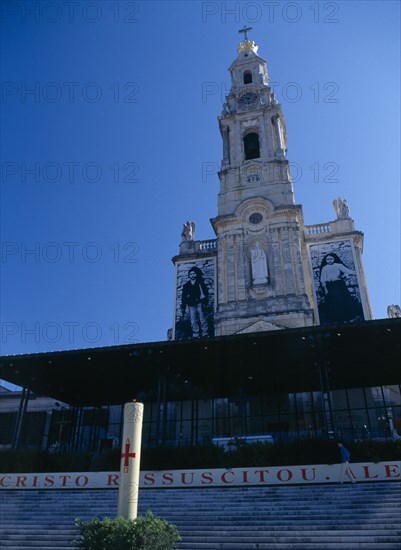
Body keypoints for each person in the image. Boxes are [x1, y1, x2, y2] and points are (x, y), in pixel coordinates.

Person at [319, 253, 361, 323]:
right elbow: (323, 279)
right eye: (328, 259)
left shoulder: (338, 265)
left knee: (342, 300)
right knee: (333, 302)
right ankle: (336, 319)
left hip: (339, 285)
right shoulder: (324, 268)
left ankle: (347, 317)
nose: (329, 260)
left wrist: (346, 275)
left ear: (334, 258)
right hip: (330, 286)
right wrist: (325, 289)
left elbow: (348, 271)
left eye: (331, 259)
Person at [181, 266, 209, 338]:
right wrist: (183, 306)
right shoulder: (186, 285)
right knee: (193, 320)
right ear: (189, 275)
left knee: (202, 318)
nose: (192, 275)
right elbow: (183, 297)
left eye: (194, 273)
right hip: (191, 304)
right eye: (191, 274)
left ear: (196, 274)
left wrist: (205, 302)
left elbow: (205, 293)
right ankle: (195, 334)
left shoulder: (200, 283)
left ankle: (205, 333)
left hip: (200, 303)